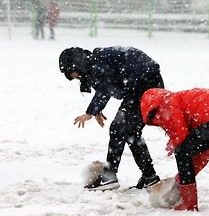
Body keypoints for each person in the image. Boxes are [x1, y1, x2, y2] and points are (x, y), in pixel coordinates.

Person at [59, 47, 164, 191]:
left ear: (77, 64)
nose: (77, 77)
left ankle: (109, 177)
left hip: (143, 86)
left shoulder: (96, 63)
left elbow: (105, 89)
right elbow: (109, 84)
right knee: (131, 133)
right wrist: (98, 109)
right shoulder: (96, 61)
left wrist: (90, 112)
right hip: (145, 85)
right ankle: (150, 177)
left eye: (74, 74)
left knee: (118, 129)